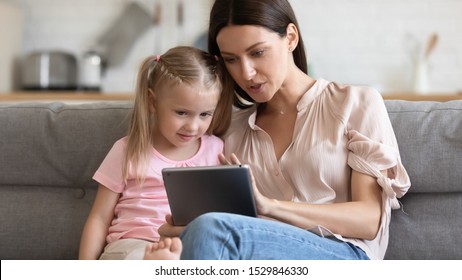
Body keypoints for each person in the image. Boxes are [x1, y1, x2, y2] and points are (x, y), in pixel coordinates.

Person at [146, 0, 411, 260]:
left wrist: (270, 207)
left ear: (291, 38)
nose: (246, 73)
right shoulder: (231, 132)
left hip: (344, 254)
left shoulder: (356, 103)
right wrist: (186, 231)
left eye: (257, 52)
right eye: (231, 59)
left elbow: (369, 219)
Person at [78, 46, 233, 260]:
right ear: (153, 102)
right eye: (182, 113)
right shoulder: (128, 149)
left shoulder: (216, 150)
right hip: (130, 247)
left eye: (205, 114)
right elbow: (99, 218)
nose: (193, 126)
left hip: (185, 247)